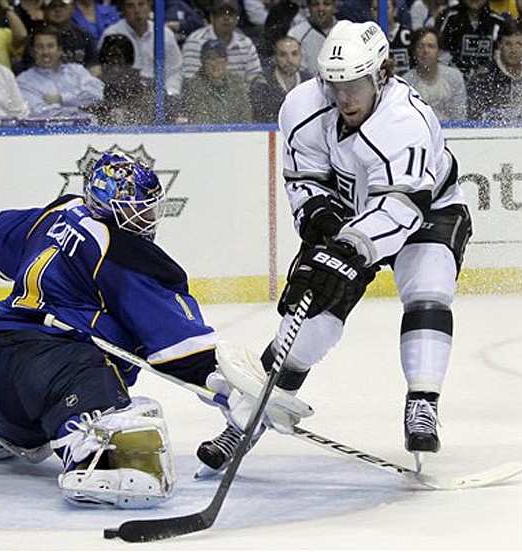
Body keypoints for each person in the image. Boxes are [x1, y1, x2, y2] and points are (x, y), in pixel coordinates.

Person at [0, 149, 307, 508]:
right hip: (60, 370)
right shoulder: (122, 252)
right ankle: (89, 452)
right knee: (125, 447)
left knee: (27, 436)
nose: (147, 218)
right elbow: (178, 344)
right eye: (137, 209)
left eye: (149, 208)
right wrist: (230, 389)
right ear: (108, 206)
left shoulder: (62, 209)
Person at [197, 20, 472, 475]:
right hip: (348, 213)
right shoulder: (302, 106)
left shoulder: (408, 122)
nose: (343, 97)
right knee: (310, 320)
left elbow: (401, 208)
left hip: (427, 210)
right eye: (334, 83)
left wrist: (348, 250)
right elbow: (303, 179)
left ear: (382, 73)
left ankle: (423, 403)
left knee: (429, 285)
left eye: (355, 85)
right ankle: (246, 420)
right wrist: (320, 225)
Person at [99, 0, 184, 98]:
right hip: (124, 96)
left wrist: (169, 94)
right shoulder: (111, 34)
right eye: (130, 6)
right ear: (123, 9)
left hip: (161, 97)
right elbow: (107, 72)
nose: (137, 10)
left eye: (141, 4)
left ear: (149, 6)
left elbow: (174, 71)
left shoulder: (165, 34)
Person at [15, 26, 103, 121]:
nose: (45, 52)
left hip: (88, 131)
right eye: (40, 47)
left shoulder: (77, 71)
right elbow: (39, 114)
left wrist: (62, 98)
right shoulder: (23, 81)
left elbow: (97, 94)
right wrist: (79, 106)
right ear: (32, 52)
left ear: (60, 50)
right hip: (46, 134)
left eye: (50, 46)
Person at [181, 0, 265, 86]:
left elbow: (256, 77)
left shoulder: (246, 43)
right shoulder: (195, 41)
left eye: (231, 14)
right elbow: (190, 82)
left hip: (241, 95)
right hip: (203, 95)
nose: (226, 18)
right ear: (212, 17)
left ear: (237, 19)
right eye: (221, 13)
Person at [466, 18, 522, 120]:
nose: (513, 50)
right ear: (500, 45)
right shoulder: (484, 77)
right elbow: (475, 117)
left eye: (518, 44)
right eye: (508, 44)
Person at [181, 38, 253, 123]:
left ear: (226, 62)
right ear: (203, 62)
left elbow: (246, 116)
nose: (214, 63)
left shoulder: (237, 82)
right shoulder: (193, 86)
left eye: (219, 58)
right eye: (209, 59)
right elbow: (200, 120)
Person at [401, 27, 467, 120]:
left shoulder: (454, 77)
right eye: (420, 46)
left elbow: (460, 115)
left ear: (439, 52)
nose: (425, 51)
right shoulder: (406, 82)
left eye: (431, 46)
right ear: (414, 52)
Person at [93, 33, 155, 125]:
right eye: (111, 56)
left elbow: (149, 109)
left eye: (119, 56)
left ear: (127, 58)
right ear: (104, 57)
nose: (115, 61)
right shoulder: (95, 80)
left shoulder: (138, 80)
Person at [435, 0, 505, 80]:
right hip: (451, 79)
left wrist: (488, 67)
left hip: (488, 81)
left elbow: (502, 55)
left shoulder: (497, 21)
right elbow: (437, 49)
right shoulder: (449, 17)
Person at [252, 34, 304, 121]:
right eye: (283, 55)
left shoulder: (309, 81)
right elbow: (261, 119)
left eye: (294, 54)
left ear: (301, 56)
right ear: (275, 57)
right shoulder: (263, 82)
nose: (290, 60)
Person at [287, 0, 337, 79]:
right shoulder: (296, 34)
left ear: (335, 7)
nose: (321, 8)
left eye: (326, 4)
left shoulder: (347, 30)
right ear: (309, 8)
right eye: (315, 4)